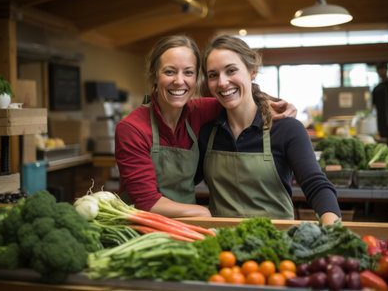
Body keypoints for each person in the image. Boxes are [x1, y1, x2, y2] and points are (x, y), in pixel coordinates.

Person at [115, 35, 296, 218]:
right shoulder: (132, 128)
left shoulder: (198, 112)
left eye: (188, 72)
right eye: (169, 72)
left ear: (196, 78)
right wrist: (204, 213)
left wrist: (272, 102)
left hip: (188, 229)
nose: (179, 81)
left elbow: (236, 96)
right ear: (154, 75)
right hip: (140, 229)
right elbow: (147, 203)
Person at [196, 35, 341, 225]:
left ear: (252, 71)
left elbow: (316, 185)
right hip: (222, 245)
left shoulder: (287, 129)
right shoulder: (207, 133)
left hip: (275, 244)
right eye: (213, 75)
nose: (222, 82)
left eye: (231, 70)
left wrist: (333, 230)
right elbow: (183, 182)